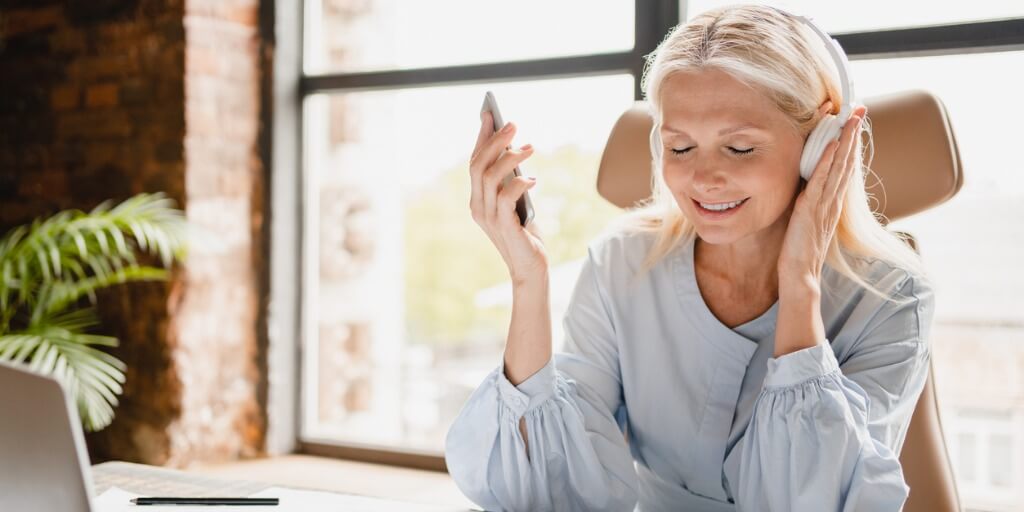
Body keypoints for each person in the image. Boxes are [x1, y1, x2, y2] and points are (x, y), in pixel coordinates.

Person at [447, 4, 935, 511]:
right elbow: (554, 497)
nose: (703, 180)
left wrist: (800, 284)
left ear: (822, 145)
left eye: (740, 149)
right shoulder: (620, 264)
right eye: (680, 148)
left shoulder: (894, 297)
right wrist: (529, 282)